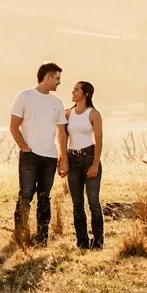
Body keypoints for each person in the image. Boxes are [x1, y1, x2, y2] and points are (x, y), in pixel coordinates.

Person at [9, 62, 68, 246]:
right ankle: (20, 234)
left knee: (45, 196)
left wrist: (62, 158)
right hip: (30, 155)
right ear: (48, 76)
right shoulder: (24, 97)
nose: (59, 83)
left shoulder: (57, 103)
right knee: (26, 194)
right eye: (57, 78)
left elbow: (61, 133)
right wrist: (24, 147)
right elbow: (13, 126)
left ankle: (42, 237)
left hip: (49, 157)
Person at [65, 80, 104, 250]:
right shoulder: (68, 114)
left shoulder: (94, 114)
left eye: (76, 90)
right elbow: (63, 138)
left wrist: (95, 164)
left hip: (89, 157)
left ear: (85, 94)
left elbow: (99, 141)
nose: (72, 92)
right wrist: (63, 160)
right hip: (72, 159)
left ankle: (98, 242)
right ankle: (82, 242)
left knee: (93, 202)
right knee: (77, 203)